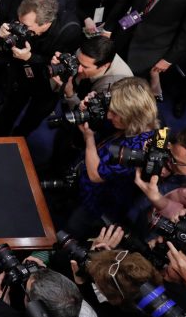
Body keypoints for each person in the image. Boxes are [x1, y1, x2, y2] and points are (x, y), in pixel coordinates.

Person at [64, 77, 159, 235]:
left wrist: (88, 138)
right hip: (85, 187)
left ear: (132, 115)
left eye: (115, 113)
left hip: (97, 204)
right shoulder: (136, 125)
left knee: (72, 229)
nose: (109, 116)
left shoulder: (138, 149)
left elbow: (95, 174)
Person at [0, 0, 80, 136]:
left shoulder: (69, 30)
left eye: (26, 26)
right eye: (20, 23)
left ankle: (18, 142)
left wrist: (30, 57)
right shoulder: (25, 16)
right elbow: (4, 53)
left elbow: (60, 69)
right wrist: (1, 39)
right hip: (20, 77)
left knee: (30, 121)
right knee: (6, 115)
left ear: (45, 24)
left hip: (47, 85)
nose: (22, 28)